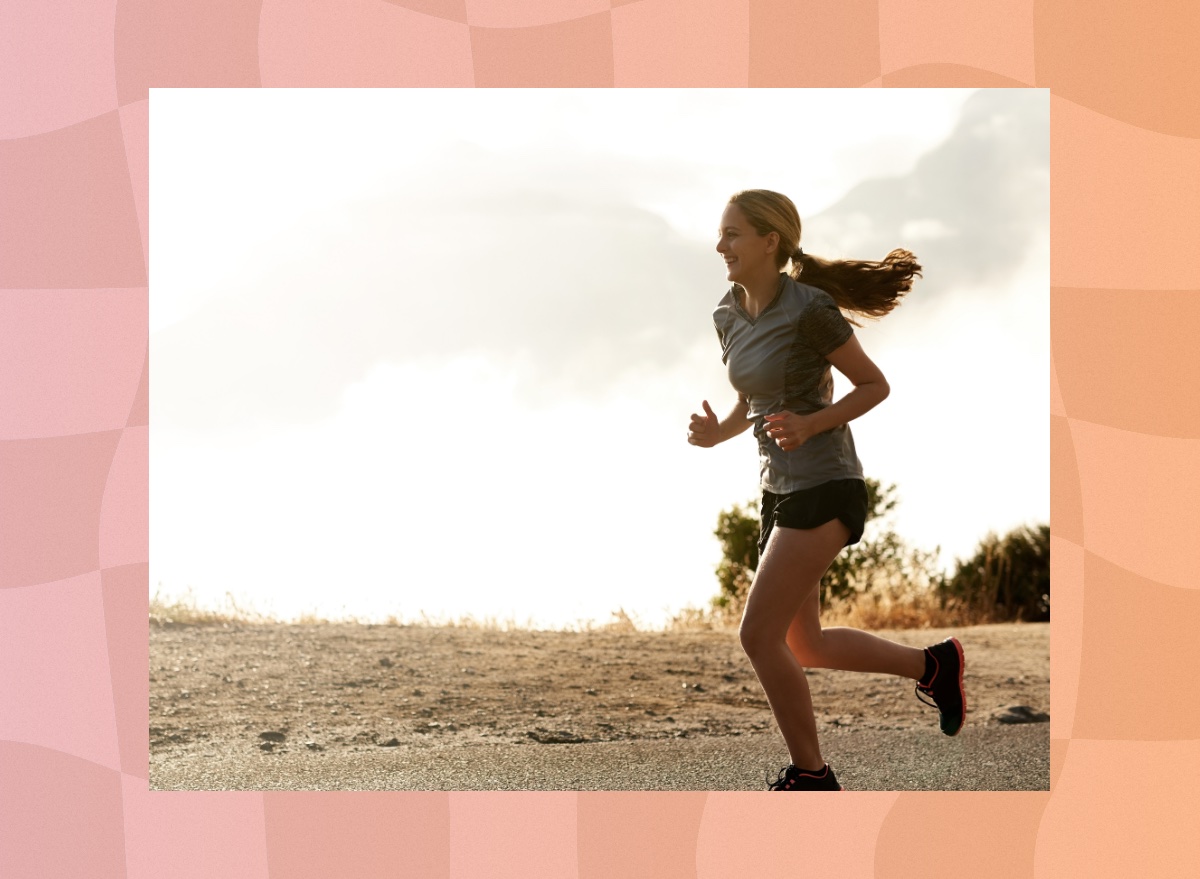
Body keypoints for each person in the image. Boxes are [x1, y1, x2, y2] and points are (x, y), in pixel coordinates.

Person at [687, 189, 966, 792]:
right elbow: (752, 402)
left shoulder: (810, 308)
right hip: (777, 491)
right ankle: (934, 665)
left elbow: (873, 384)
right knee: (803, 643)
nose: (720, 246)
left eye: (732, 234)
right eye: (721, 234)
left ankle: (811, 773)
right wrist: (719, 433)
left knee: (757, 635)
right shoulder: (726, 314)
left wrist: (814, 421)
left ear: (771, 241)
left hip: (826, 483)